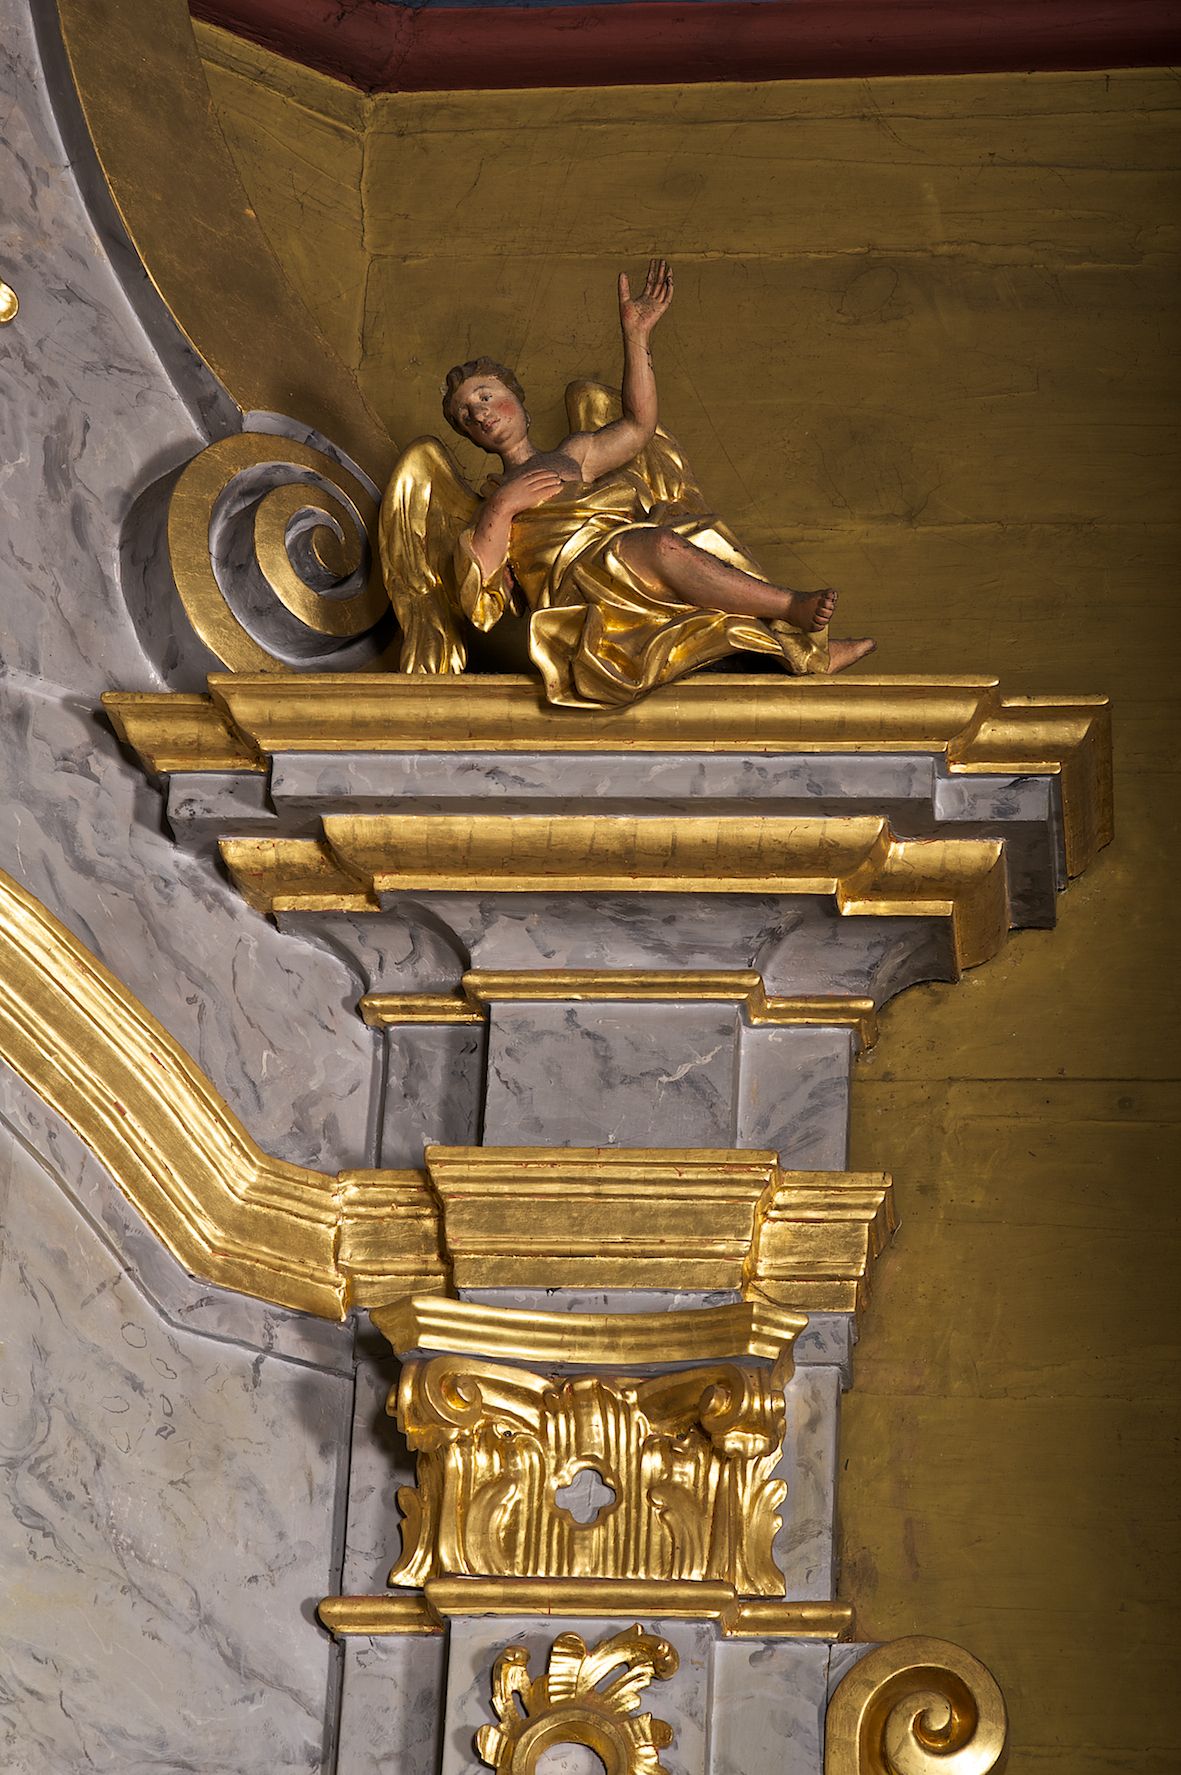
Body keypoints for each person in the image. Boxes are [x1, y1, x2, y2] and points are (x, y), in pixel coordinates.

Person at [379, 259, 875, 707]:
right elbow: (480, 598)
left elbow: (639, 426)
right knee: (656, 545)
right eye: (466, 414)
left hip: (622, 549)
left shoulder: (574, 454)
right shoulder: (484, 504)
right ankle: (791, 609)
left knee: (689, 535)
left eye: (486, 396)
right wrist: (503, 506)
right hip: (577, 583)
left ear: (517, 399)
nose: (480, 413)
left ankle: (801, 651)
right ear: (468, 435)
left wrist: (636, 337)